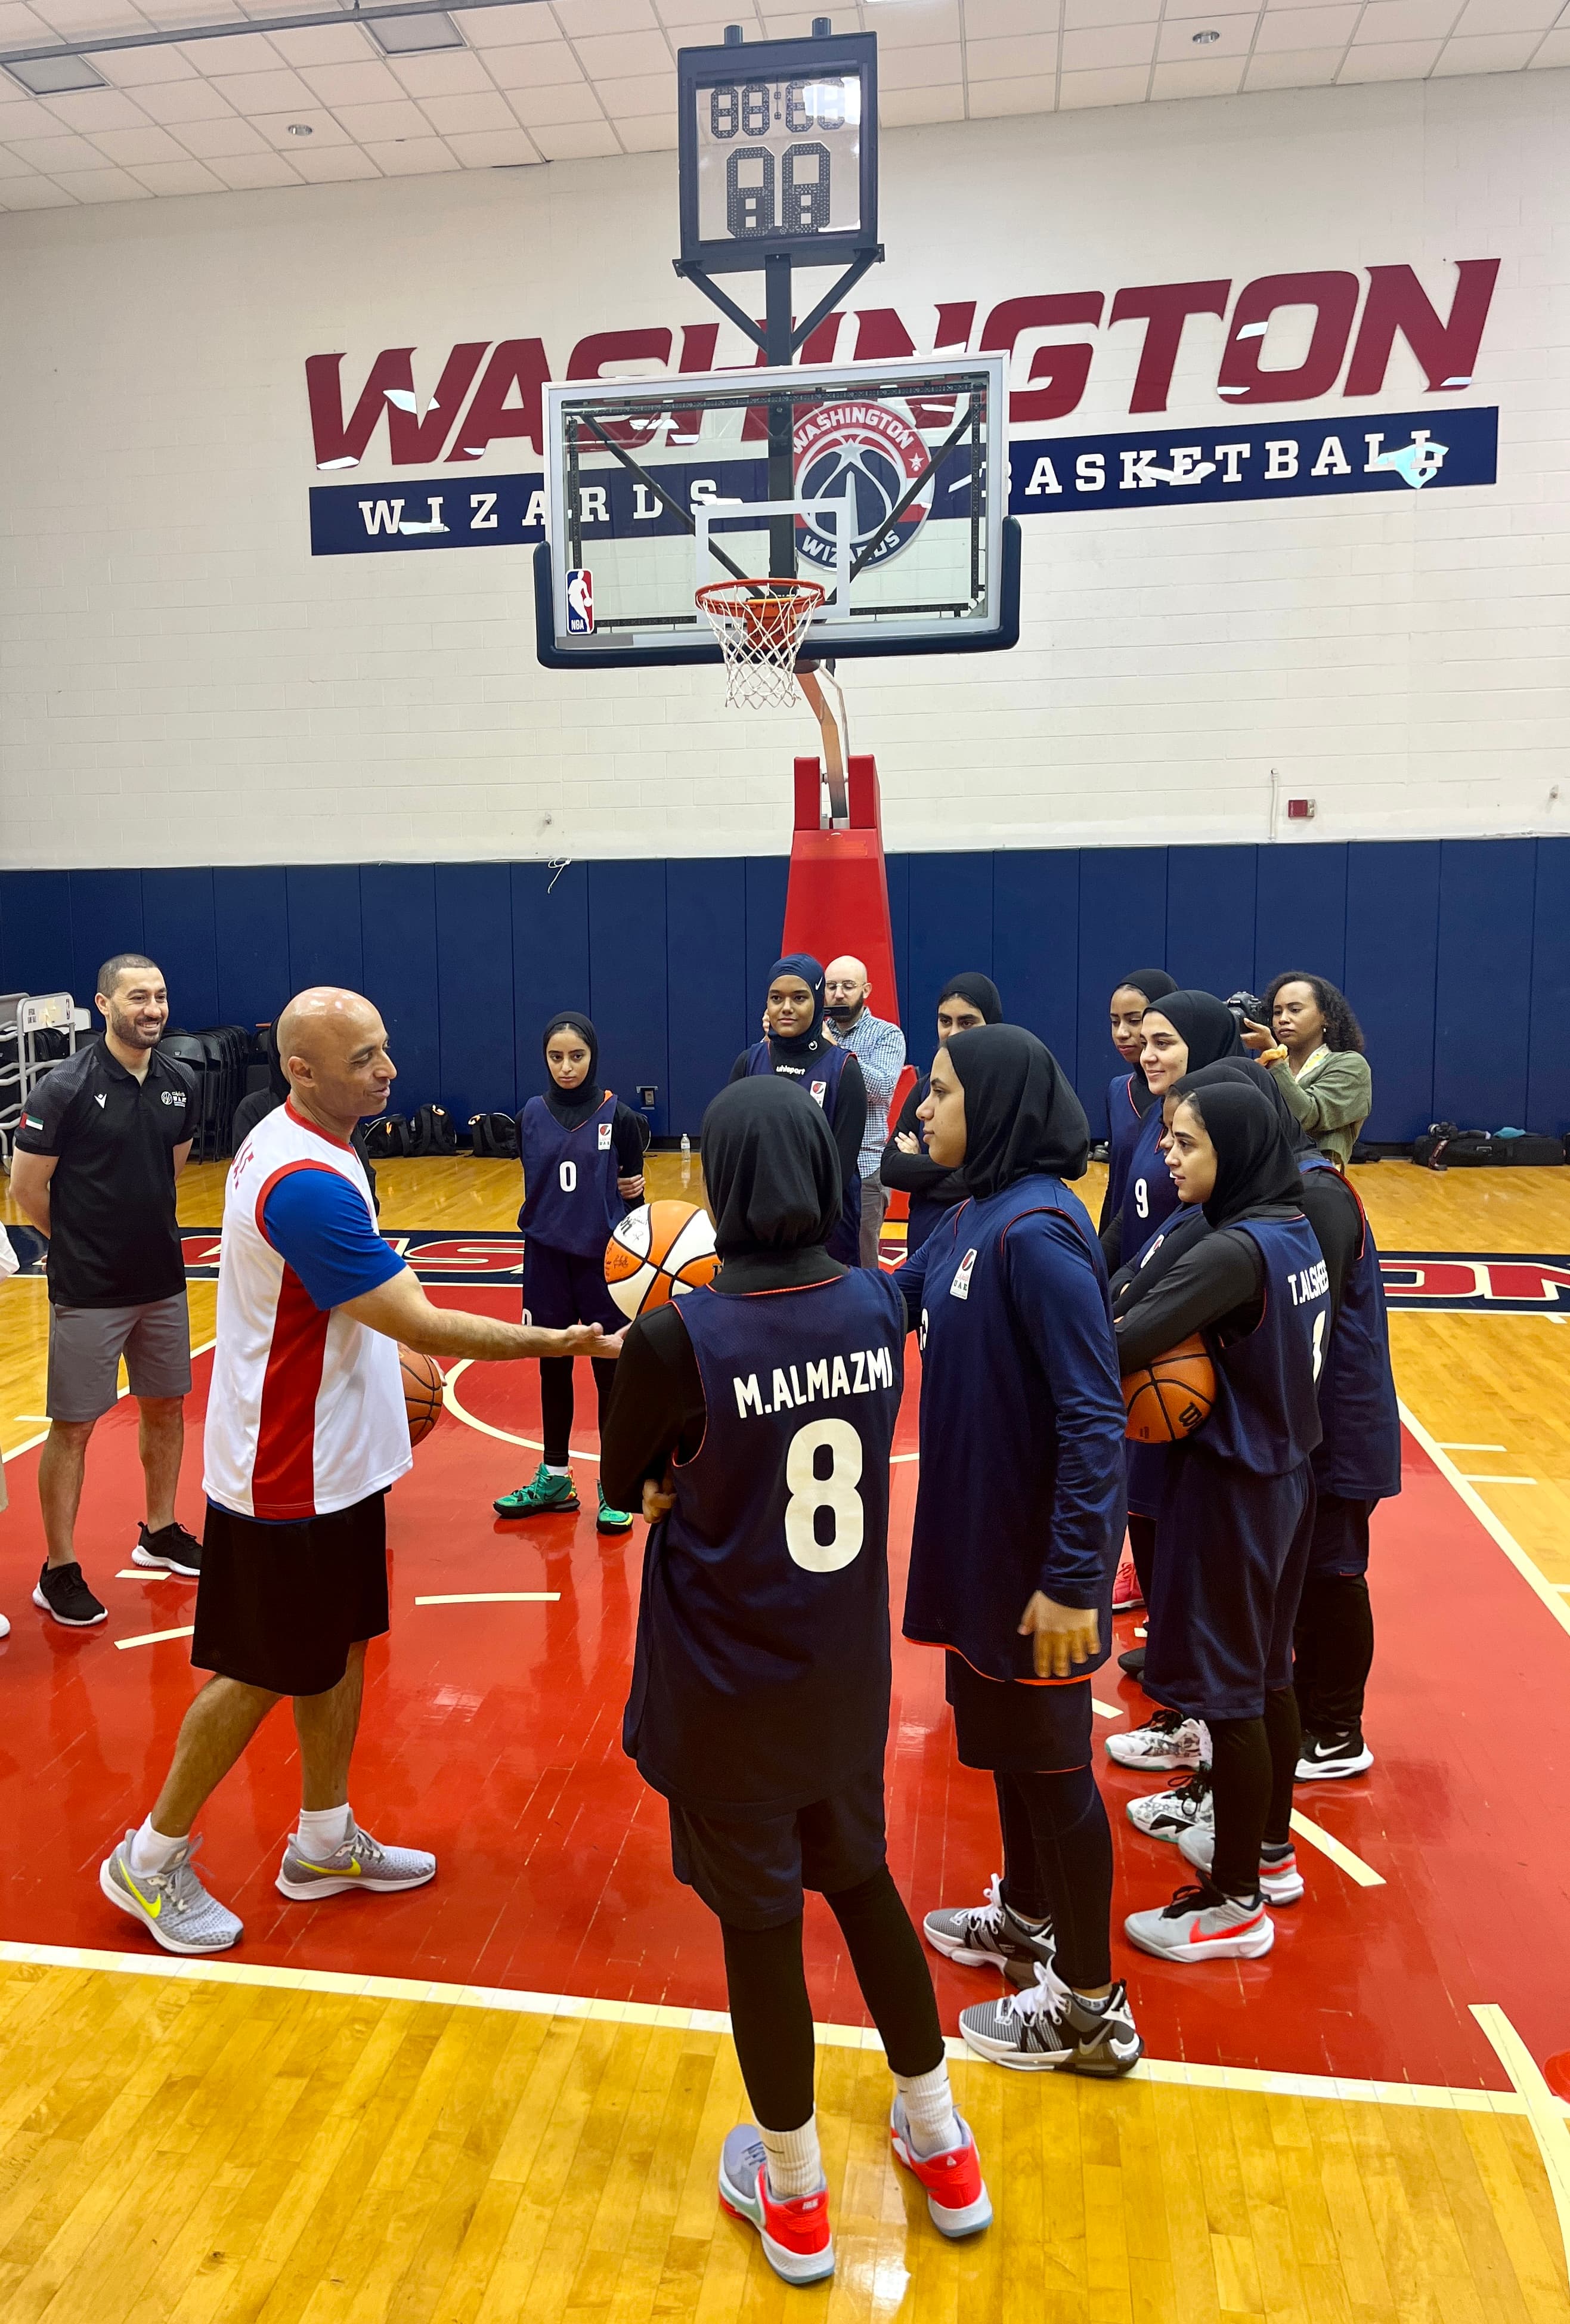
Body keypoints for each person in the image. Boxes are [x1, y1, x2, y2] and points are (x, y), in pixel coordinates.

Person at [97, 988, 621, 1957]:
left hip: (334, 1460)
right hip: (282, 1468)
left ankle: (325, 1839)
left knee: (340, 1644)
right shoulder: (304, 1182)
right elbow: (419, 1322)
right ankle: (150, 1854)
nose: (388, 1070)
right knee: (258, 1671)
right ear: (301, 1067)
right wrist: (563, 1337)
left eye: (385, 1048)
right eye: (364, 1058)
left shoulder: (325, 1136)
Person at [602, 1078, 990, 2285]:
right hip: (837, 1664)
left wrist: (672, 1478)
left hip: (725, 1675)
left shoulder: (683, 1331)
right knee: (863, 1885)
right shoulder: (876, 1304)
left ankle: (798, 2187)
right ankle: (940, 2139)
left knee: (760, 1924)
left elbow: (625, 1480)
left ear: (714, 1183)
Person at [895, 1026, 1141, 2077]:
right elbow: (890, 1297)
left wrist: (1075, 1578)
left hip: (1036, 1564)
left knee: (1052, 1771)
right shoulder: (966, 1212)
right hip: (974, 1542)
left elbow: (1095, 1415)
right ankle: (1030, 1915)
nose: (922, 1113)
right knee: (1005, 1748)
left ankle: (1091, 2010)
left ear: (991, 1105)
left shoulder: (1035, 1231)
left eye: (940, 1093)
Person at [1112, 1080, 1329, 1964]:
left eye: (1187, 1141)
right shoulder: (1293, 1227)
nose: (1168, 1152)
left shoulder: (1231, 1252)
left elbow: (1114, 1344)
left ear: (1232, 1151)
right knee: (1269, 1682)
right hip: (1286, 1478)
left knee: (1234, 1699)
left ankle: (1234, 1902)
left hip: (1235, 1487)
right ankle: (1267, 1854)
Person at [10, 954, 203, 1629]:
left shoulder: (180, 1082)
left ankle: (159, 1531)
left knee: (166, 1409)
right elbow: (26, 1190)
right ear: (104, 1005)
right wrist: (80, 1243)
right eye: (136, 998)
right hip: (89, 1289)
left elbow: (166, 1175)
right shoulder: (63, 1088)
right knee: (74, 1427)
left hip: (162, 1281)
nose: (151, 1009)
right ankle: (57, 1569)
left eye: (160, 995)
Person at [1100, 989, 1243, 1641]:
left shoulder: (1221, 1135)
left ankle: (1185, 1645)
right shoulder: (1149, 1117)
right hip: (1136, 1321)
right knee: (1139, 1494)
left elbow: (1193, 1251)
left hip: (1172, 1339)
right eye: (1140, 1038)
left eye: (1163, 1042)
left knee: (1172, 1503)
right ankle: (1165, 1632)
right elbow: (1124, 1225)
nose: (1144, 1051)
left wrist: (1133, 1321)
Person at [494, 1013, 646, 1531]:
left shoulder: (620, 1117)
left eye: (576, 1056)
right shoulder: (529, 1115)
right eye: (555, 1057)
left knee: (611, 1373)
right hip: (545, 1260)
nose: (565, 1066)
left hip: (605, 1263)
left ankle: (614, 1482)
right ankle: (556, 1476)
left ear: (593, 1056)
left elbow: (634, 1198)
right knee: (552, 1367)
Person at [730, 955, 866, 1268]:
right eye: (776, 998)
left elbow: (841, 1167)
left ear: (818, 1003)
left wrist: (802, 1222)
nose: (786, 1008)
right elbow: (731, 1146)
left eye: (799, 998)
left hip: (824, 1230)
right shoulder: (748, 1063)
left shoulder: (843, 1069)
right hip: (757, 1223)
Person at [878, 974, 1001, 1258]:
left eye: (967, 1022)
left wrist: (919, 1168)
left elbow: (983, 1179)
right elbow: (891, 1168)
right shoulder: (924, 1089)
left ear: (992, 1025)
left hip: (977, 1241)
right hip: (924, 1237)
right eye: (945, 1021)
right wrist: (966, 1166)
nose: (954, 1033)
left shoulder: (1001, 1093)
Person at [822, 954, 906, 1269]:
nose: (839, 994)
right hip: (817, 1167)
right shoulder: (813, 1033)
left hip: (865, 1168)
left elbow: (882, 1088)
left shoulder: (887, 1034)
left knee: (861, 1260)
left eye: (847, 986)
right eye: (831, 987)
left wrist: (833, 1051)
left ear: (866, 990)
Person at [1244, 973, 1371, 1166]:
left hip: (1313, 1184)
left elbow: (1305, 1116)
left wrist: (1272, 1053)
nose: (1283, 1019)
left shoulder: (1351, 1065)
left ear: (1326, 1018)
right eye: (1277, 1012)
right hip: (1261, 1177)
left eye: (1295, 1010)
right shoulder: (1270, 1065)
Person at [1100, 968, 1178, 1236]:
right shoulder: (1118, 1090)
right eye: (1114, 1021)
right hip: (1126, 1241)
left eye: (1133, 1020)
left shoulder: (1191, 1096)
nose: (1122, 1033)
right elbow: (1116, 1184)